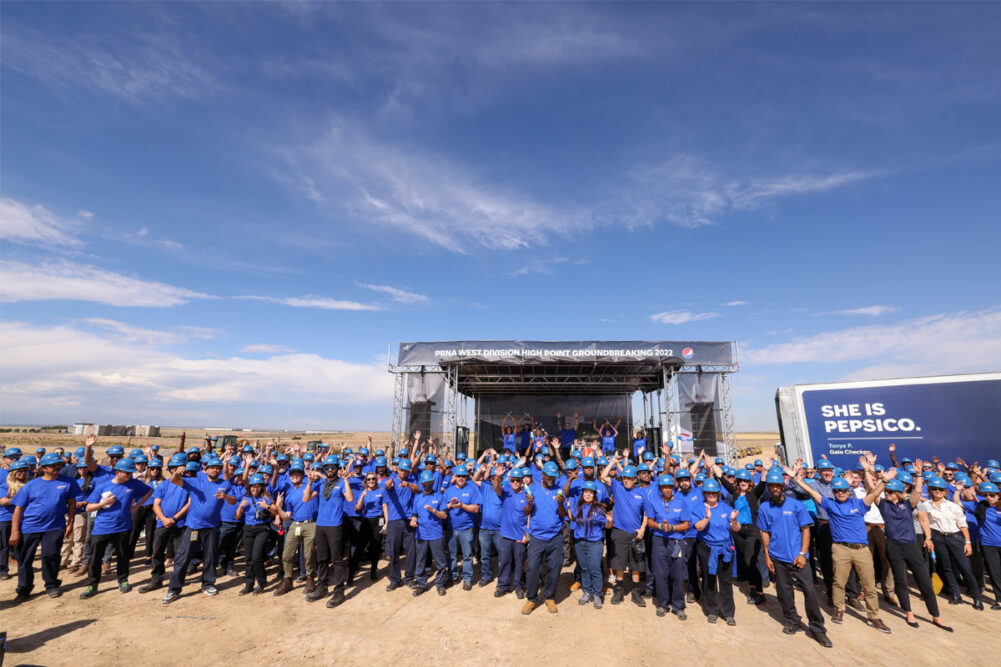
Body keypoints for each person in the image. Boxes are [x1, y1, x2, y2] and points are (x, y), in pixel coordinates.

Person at [789, 459, 892, 632]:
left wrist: (884, 481)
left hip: (861, 549)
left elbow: (874, 495)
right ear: (834, 492)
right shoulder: (830, 504)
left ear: (848, 490)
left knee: (869, 584)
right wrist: (796, 478)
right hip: (840, 549)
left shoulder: (859, 504)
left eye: (844, 490)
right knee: (838, 581)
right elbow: (811, 492)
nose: (841, 493)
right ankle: (839, 609)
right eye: (837, 491)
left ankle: (874, 616)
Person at [757, 469, 831, 648]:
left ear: (783, 487)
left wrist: (803, 554)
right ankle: (792, 620)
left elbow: (806, 530)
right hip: (777, 557)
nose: (775, 488)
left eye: (778, 485)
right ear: (768, 487)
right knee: (784, 592)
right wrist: (767, 558)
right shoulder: (764, 507)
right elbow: (764, 533)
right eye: (771, 485)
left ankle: (817, 627)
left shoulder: (796, 505)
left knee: (809, 591)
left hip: (798, 558)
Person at [874, 471, 952, 630]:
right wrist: (873, 473)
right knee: (901, 581)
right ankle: (909, 613)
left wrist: (918, 475)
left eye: (889, 492)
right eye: (885, 491)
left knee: (925, 582)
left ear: (896, 493)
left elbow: (916, 492)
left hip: (911, 546)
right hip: (893, 546)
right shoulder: (883, 505)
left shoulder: (908, 505)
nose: (886, 494)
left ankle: (936, 616)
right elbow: (873, 490)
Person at [163, 457, 236, 603]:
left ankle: (208, 584)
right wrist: (177, 473)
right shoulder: (196, 481)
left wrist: (226, 496)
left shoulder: (225, 484)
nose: (216, 469)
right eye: (213, 467)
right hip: (194, 527)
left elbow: (233, 501)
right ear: (206, 469)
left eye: (218, 467)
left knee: (210, 557)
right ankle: (174, 589)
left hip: (212, 528)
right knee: (184, 557)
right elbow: (174, 481)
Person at [9, 453, 80, 601]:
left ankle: (51, 585)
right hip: (30, 527)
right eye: (54, 466)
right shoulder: (31, 485)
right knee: (25, 559)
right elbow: (18, 509)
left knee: (51, 556)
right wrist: (15, 531)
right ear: (44, 468)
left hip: (55, 526)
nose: (57, 468)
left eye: (59, 465)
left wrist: (71, 523)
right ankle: (24, 589)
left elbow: (72, 503)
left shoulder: (68, 482)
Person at [80, 457, 153, 598]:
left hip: (123, 527)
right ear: (118, 472)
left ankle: (123, 581)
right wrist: (103, 503)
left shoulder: (134, 484)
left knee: (123, 557)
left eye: (131, 473)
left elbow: (149, 492)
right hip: (102, 528)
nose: (130, 475)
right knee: (95, 559)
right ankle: (92, 585)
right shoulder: (103, 487)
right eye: (127, 473)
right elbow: (88, 507)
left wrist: (137, 506)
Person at [921, 474, 983, 609]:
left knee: (965, 568)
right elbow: (925, 522)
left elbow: (963, 525)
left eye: (941, 489)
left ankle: (977, 598)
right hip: (938, 538)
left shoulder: (953, 506)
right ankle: (956, 595)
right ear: (930, 490)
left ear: (945, 491)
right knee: (947, 568)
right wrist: (929, 538)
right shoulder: (925, 506)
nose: (938, 491)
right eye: (935, 488)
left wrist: (967, 542)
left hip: (955, 538)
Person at [307, 455, 355, 607]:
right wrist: (309, 483)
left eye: (332, 467)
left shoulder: (341, 483)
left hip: (335, 525)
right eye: (326, 468)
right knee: (322, 558)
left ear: (337, 468)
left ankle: (339, 590)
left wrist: (346, 480)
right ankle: (322, 586)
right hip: (321, 525)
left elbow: (349, 499)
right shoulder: (321, 484)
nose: (329, 470)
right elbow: (306, 498)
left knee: (336, 559)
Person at [643, 473, 693, 619]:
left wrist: (671, 528)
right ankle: (663, 604)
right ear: (660, 488)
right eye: (664, 487)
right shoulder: (652, 502)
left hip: (676, 541)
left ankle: (678, 606)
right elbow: (650, 521)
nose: (667, 490)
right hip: (659, 540)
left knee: (677, 574)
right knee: (661, 574)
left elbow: (686, 524)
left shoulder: (680, 502)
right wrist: (659, 526)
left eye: (670, 487)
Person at [139, 453, 190, 594]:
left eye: (179, 467)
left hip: (180, 524)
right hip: (163, 524)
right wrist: (164, 518)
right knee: (157, 552)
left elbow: (189, 504)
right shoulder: (163, 485)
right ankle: (156, 579)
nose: (176, 470)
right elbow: (156, 504)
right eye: (173, 467)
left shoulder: (189, 484)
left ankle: (177, 580)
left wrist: (174, 518)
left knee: (180, 554)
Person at [600, 455, 647, 606]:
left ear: (635, 480)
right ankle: (619, 590)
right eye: (624, 477)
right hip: (618, 532)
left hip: (635, 533)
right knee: (618, 563)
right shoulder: (617, 486)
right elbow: (603, 475)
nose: (626, 480)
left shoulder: (642, 493)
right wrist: (613, 462)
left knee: (636, 565)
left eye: (629, 478)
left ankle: (635, 592)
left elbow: (646, 513)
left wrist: (643, 528)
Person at [522, 461, 567, 615]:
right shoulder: (533, 489)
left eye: (554, 476)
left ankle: (549, 597)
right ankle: (532, 599)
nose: (551, 479)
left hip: (554, 536)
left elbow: (563, 514)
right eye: (549, 475)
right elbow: (527, 511)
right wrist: (530, 503)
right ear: (543, 474)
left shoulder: (559, 491)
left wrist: (561, 505)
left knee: (555, 569)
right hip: (536, 537)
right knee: (533, 568)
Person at [693, 479, 740, 625]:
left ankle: (728, 613)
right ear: (704, 493)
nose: (711, 495)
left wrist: (733, 521)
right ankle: (712, 610)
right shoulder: (698, 508)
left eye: (714, 492)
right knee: (709, 578)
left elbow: (737, 528)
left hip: (725, 548)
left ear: (718, 493)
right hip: (707, 548)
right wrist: (707, 518)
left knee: (725, 581)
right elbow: (699, 527)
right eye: (708, 492)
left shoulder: (726, 508)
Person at [273, 459, 317, 597]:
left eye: (298, 473)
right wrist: (278, 507)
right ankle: (287, 579)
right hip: (295, 523)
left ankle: (310, 578)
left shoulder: (312, 486)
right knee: (287, 554)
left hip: (311, 523)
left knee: (308, 554)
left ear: (302, 475)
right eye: (292, 473)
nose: (295, 475)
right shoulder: (289, 492)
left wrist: (312, 479)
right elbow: (287, 516)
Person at [567, 480, 611, 608]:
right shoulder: (578, 507)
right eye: (586, 492)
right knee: (584, 568)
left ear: (594, 495)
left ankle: (597, 594)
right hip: (580, 543)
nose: (588, 494)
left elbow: (607, 526)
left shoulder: (599, 508)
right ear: (582, 493)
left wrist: (609, 521)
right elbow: (572, 518)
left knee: (595, 568)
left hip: (594, 543)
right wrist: (569, 507)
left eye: (591, 493)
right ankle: (587, 591)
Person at [383, 459, 420, 591]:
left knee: (411, 551)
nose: (403, 472)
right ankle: (395, 579)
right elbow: (387, 487)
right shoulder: (391, 480)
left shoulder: (412, 480)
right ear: (397, 469)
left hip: (408, 520)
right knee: (393, 551)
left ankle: (409, 578)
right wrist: (389, 485)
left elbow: (417, 490)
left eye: (406, 470)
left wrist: (407, 484)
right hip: (394, 520)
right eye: (401, 469)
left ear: (409, 471)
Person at [235, 473, 275, 595]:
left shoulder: (266, 498)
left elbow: (275, 512)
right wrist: (241, 507)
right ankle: (249, 583)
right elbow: (237, 517)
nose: (255, 489)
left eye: (258, 487)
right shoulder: (246, 498)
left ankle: (262, 582)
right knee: (248, 558)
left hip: (262, 529)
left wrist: (267, 507)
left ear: (262, 487)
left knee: (257, 557)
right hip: (248, 529)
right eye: (253, 486)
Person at [442, 464, 481, 589]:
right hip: (452, 528)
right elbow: (443, 508)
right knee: (452, 554)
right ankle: (452, 576)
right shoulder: (449, 491)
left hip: (466, 529)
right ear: (455, 477)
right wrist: (449, 505)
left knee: (467, 555)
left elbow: (475, 509)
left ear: (466, 476)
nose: (461, 478)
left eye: (463, 476)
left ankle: (467, 578)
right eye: (458, 476)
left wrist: (462, 506)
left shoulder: (471, 490)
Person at [494, 467, 529, 599]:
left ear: (521, 481)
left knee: (520, 562)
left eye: (517, 480)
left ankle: (519, 586)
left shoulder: (526, 495)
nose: (515, 483)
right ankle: (503, 585)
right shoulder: (506, 492)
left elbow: (530, 516)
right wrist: (498, 476)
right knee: (505, 561)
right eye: (513, 480)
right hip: (506, 534)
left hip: (520, 536)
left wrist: (527, 534)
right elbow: (496, 488)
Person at [413, 469, 449, 596]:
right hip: (421, 534)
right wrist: (413, 520)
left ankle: (440, 584)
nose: (427, 484)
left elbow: (444, 515)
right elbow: (414, 514)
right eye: (424, 482)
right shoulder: (417, 498)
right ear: (421, 484)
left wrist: (433, 511)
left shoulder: (439, 497)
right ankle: (421, 584)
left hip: (436, 534)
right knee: (420, 560)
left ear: (433, 482)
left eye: (429, 482)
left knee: (440, 561)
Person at [970, 481, 1001, 610]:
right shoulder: (980, 507)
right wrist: (958, 491)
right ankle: (999, 600)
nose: (988, 497)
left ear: (998, 496)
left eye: (992, 495)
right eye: (986, 495)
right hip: (989, 545)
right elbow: (958, 502)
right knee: (994, 573)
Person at [352, 465, 383, 583]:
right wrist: (362, 497)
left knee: (376, 547)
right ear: (366, 481)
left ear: (376, 480)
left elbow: (385, 507)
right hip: (367, 520)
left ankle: (373, 571)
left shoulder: (381, 491)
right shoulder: (363, 492)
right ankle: (351, 574)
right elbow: (357, 508)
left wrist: (385, 523)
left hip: (378, 520)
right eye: (369, 479)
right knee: (360, 547)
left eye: (373, 479)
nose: (371, 481)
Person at [1, 461, 31, 581]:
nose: (22, 473)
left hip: (24, 519)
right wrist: (22, 499)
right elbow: (3, 501)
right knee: (3, 545)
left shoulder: (30, 484)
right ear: (13, 473)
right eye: (19, 471)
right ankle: (2, 570)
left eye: (24, 471)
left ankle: (23, 567)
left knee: (22, 545)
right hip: (6, 518)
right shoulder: (5, 486)